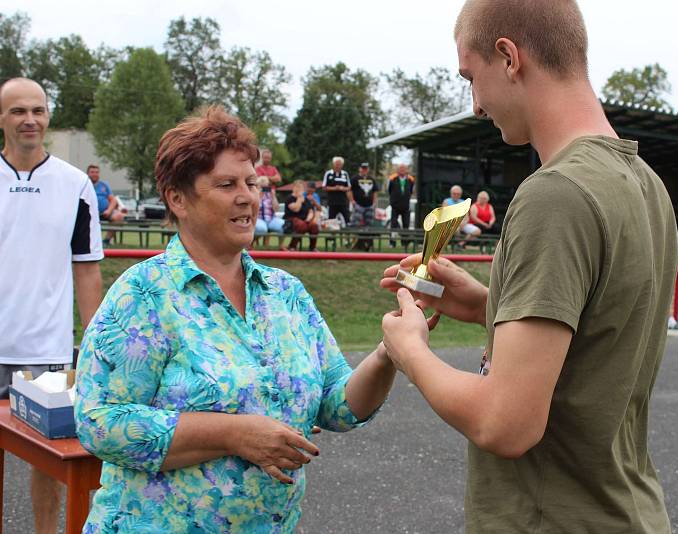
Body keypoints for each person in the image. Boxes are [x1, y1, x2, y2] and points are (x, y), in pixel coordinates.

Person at [380, 1, 678, 532]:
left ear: (509, 57)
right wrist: (484, 304)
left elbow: (506, 424)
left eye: (471, 78)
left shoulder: (554, 193)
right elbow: (600, 333)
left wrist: (410, 351)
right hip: (625, 509)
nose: (475, 104)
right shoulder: (645, 183)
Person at [74, 106, 396, 532]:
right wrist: (232, 434)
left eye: (252, 183)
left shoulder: (285, 294)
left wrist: (390, 352)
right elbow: (99, 422)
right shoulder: (145, 294)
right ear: (177, 199)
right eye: (226, 184)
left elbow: (336, 405)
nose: (248, 196)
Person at [0, 77, 104, 534]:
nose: (29, 120)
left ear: (48, 116)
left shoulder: (75, 184)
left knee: (49, 472)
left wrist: (99, 347)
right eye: (18, 111)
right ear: (1, 118)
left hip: (48, 353)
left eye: (37, 111)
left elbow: (86, 270)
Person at [88, 164, 125, 246]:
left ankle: (106, 240)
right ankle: (90, 242)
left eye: (97, 172)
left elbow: (113, 200)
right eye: (92, 172)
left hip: (104, 212)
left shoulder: (104, 185)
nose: (95, 174)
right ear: (88, 173)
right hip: (89, 213)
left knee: (119, 216)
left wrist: (109, 210)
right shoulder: (84, 184)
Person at [351, 162, 380, 251]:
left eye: (366, 168)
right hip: (358, 205)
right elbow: (349, 189)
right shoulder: (355, 178)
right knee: (356, 224)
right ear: (360, 169)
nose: (364, 170)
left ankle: (367, 244)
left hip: (369, 205)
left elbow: (375, 191)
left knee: (369, 225)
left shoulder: (372, 179)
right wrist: (352, 201)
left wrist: (374, 202)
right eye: (363, 168)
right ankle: (354, 243)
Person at [285, 179, 320, 251]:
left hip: (305, 220)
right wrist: (299, 199)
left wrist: (309, 218)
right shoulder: (290, 198)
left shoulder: (306, 199)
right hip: (292, 219)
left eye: (301, 188)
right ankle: (292, 246)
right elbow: (296, 209)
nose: (299, 189)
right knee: (301, 225)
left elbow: (311, 211)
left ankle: (312, 248)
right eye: (297, 187)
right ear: (293, 188)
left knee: (314, 226)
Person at [254, 175, 286, 250]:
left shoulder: (270, 195)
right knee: (262, 229)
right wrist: (259, 197)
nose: (264, 189)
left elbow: (276, 209)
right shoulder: (254, 194)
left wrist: (273, 196)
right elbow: (253, 208)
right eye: (262, 187)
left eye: (266, 186)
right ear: (258, 186)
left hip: (271, 219)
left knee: (285, 225)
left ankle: (281, 246)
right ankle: (251, 243)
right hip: (259, 219)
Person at [387, 163, 415, 247]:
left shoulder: (410, 179)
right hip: (395, 206)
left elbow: (410, 190)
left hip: (405, 206)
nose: (402, 170)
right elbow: (389, 190)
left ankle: (405, 243)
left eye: (404, 169)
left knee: (406, 225)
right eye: (400, 169)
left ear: (406, 170)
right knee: (393, 224)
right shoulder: (392, 178)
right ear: (397, 170)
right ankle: (392, 243)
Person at [322, 156, 351, 224]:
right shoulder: (328, 174)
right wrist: (334, 188)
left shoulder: (345, 174)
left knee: (347, 218)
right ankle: (333, 233)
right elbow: (324, 187)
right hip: (332, 201)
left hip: (343, 201)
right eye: (336, 164)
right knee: (331, 219)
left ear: (342, 165)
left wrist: (342, 188)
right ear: (333, 164)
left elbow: (349, 187)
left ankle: (347, 233)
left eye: (339, 164)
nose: (337, 166)